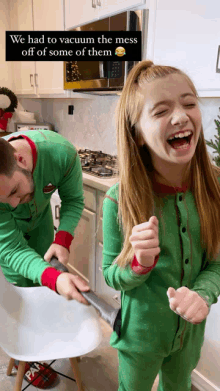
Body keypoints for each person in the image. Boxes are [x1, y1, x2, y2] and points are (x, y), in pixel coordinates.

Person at [102, 60, 220, 391]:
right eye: (161, 110)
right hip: (139, 339)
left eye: (189, 103)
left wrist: (204, 294)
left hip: (189, 338)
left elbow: (217, 263)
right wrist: (138, 264)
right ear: (136, 133)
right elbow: (111, 275)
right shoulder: (119, 201)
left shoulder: (214, 191)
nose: (181, 116)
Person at [0, 129, 90, 387]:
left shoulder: (61, 154)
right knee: (24, 302)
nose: (15, 204)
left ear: (21, 160)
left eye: (16, 190)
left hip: (41, 227)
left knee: (44, 294)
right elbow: (12, 249)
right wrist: (54, 277)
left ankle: (46, 342)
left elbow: (73, 200)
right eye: (6, 199)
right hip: (12, 243)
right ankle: (25, 359)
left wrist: (62, 239)